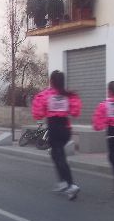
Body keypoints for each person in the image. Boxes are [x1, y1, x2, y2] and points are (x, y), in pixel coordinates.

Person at [32, 70, 82, 200]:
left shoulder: (45, 95)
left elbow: (38, 114)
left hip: (54, 128)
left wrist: (46, 111)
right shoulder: (69, 95)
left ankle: (71, 185)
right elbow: (75, 112)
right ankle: (63, 182)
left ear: (51, 81)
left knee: (60, 157)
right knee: (56, 155)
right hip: (66, 129)